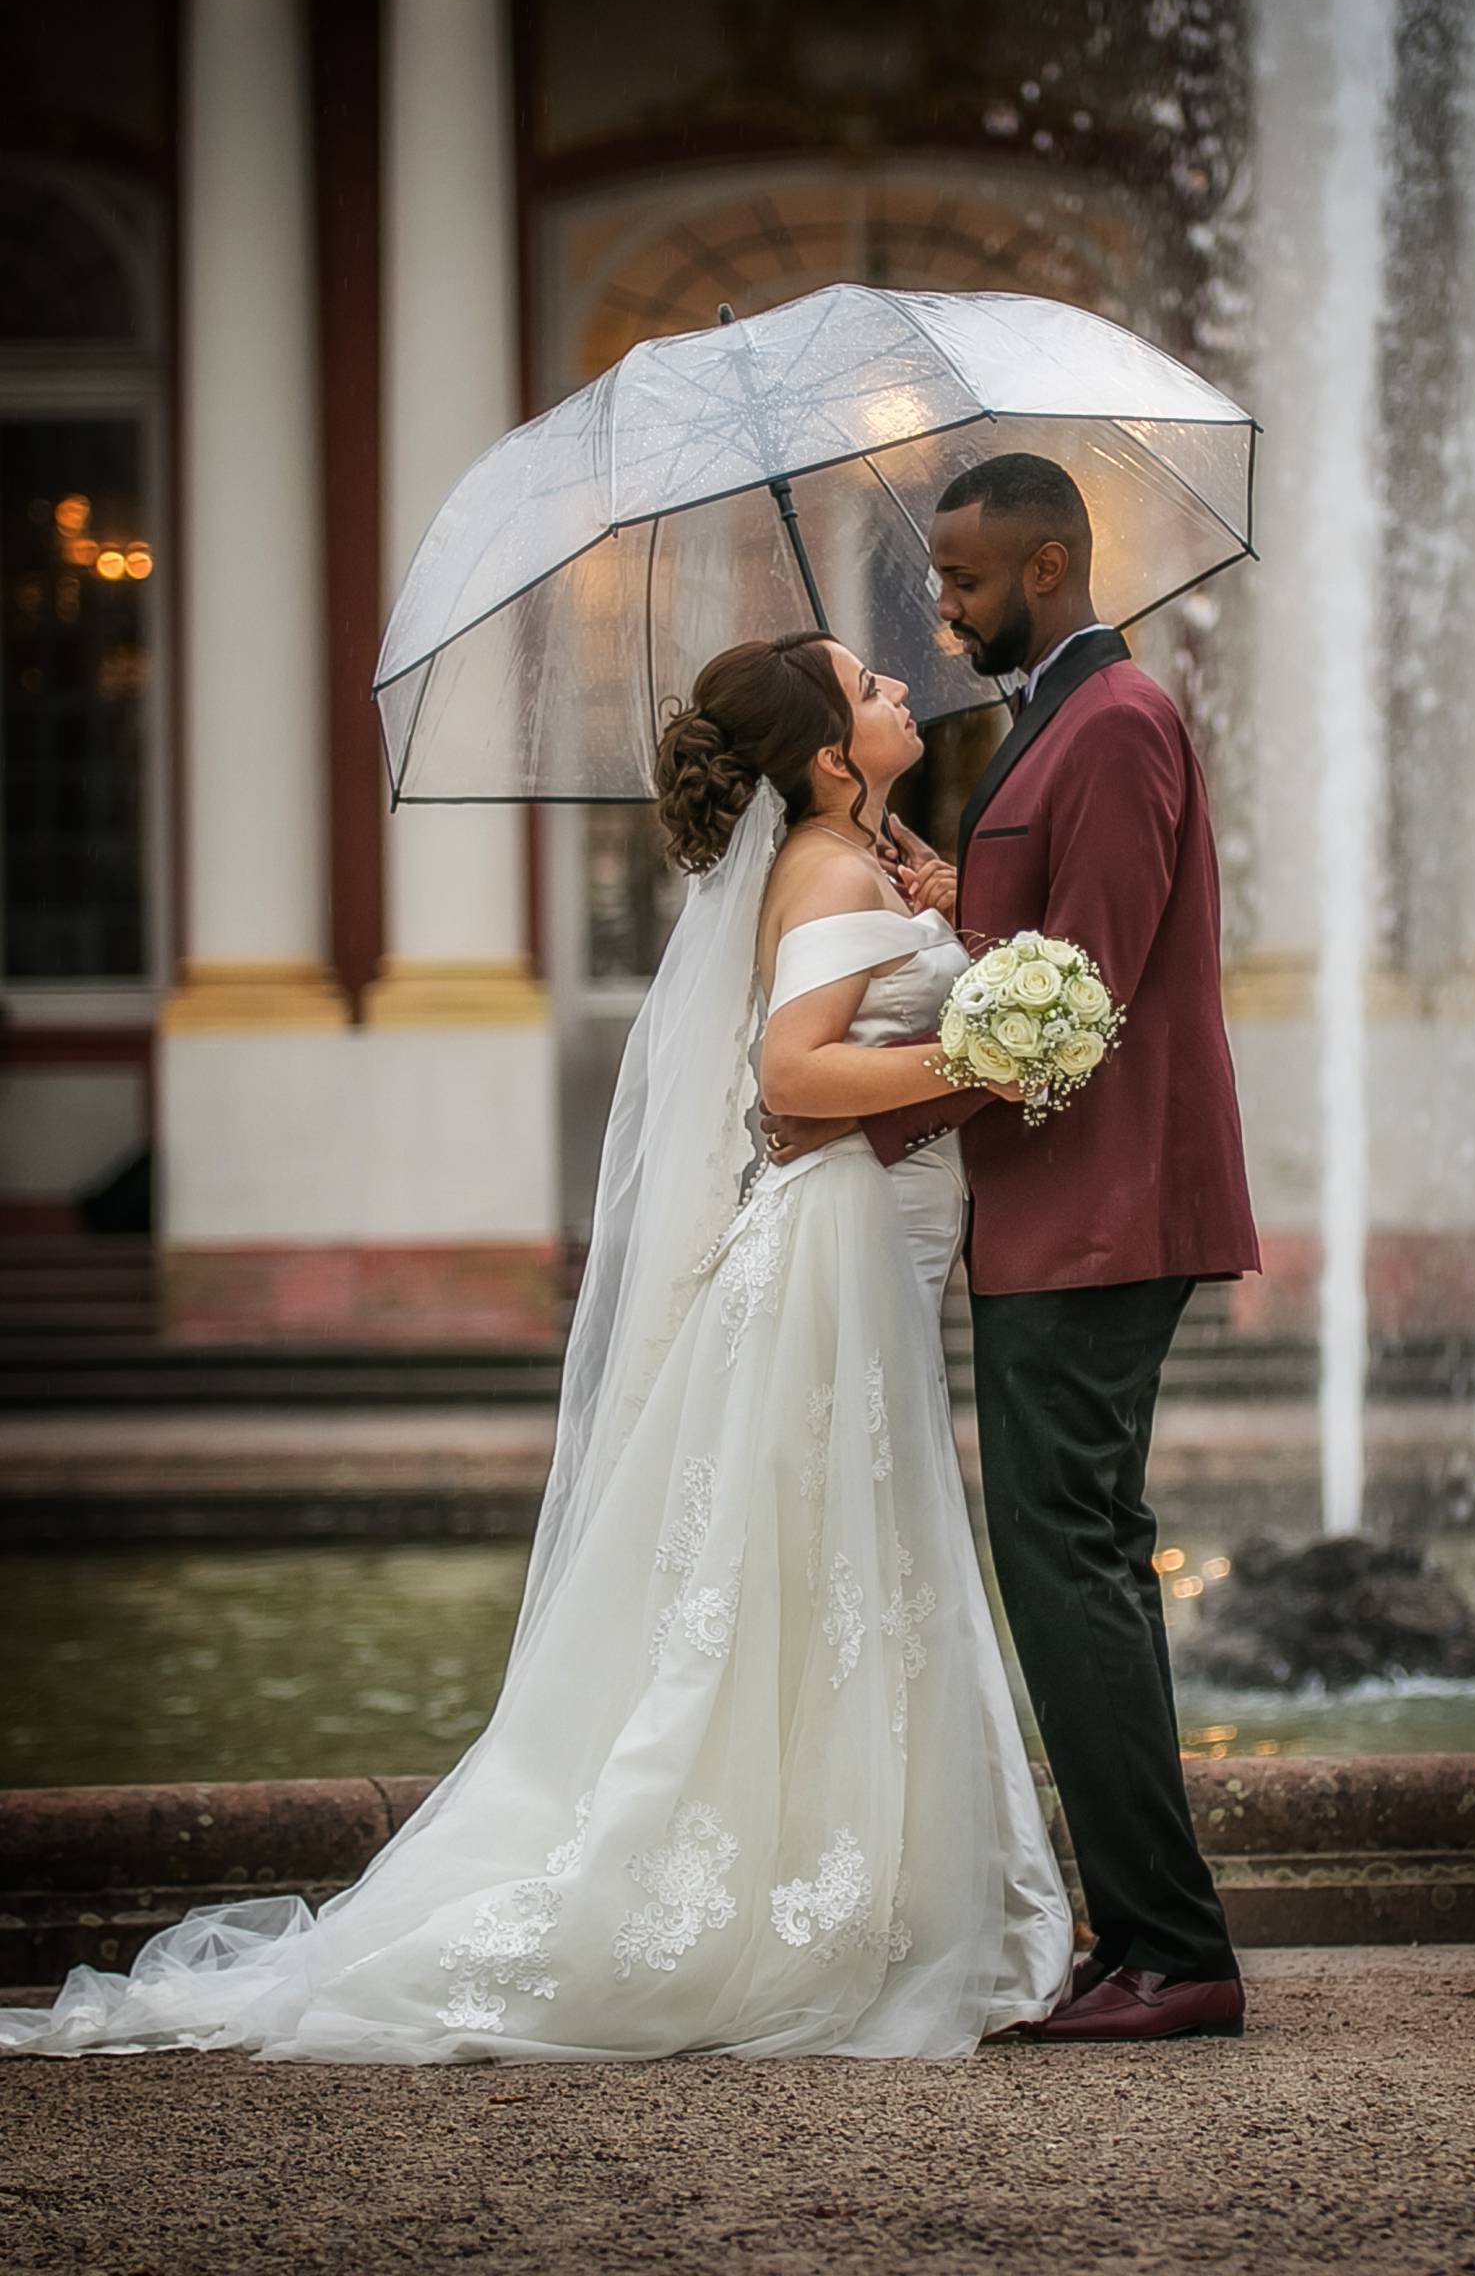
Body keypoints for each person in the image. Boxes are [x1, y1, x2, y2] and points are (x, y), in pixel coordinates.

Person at [0, 631, 1072, 2064]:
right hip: (838, 1246)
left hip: (877, 1234)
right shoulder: (824, 869)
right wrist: (982, 1057)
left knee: (845, 1554)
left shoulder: (858, 857)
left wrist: (941, 905)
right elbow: (794, 1076)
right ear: (826, 757)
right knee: (830, 1555)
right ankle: (812, 1893)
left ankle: (860, 1869)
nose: (899, 695)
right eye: (873, 690)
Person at [765, 454, 1261, 2042]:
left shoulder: (1114, 724)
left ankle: (1172, 1952)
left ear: (1049, 568)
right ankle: (1147, 1940)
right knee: (1082, 1555)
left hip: (1102, 1212)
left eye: (965, 582)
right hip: (1065, 1210)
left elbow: (1083, 1004)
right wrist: (950, 907)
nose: (946, 609)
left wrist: (882, 1118)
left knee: (1068, 1566)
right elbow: (1031, 968)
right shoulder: (1060, 724)